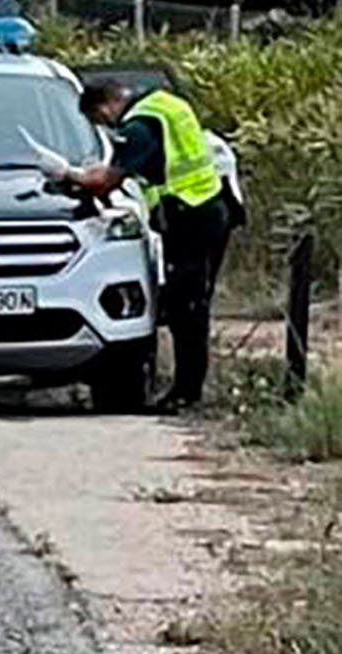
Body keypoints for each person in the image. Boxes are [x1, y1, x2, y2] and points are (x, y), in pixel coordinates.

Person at [51, 79, 231, 412]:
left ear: (104, 106)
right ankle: (188, 388)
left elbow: (105, 183)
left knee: (185, 309)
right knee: (192, 305)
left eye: (99, 121)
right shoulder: (165, 103)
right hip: (208, 207)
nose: (106, 126)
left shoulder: (139, 128)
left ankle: (186, 392)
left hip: (188, 215)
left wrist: (68, 173)